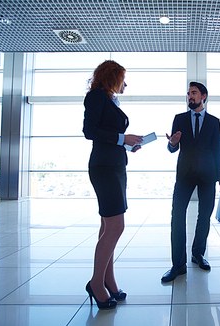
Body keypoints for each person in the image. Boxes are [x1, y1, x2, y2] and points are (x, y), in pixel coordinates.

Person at [83, 60, 143, 309]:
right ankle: (96, 284)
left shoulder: (108, 100)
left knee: (107, 225)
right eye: (122, 78)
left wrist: (127, 143)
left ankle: (109, 281)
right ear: (112, 77)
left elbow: (109, 135)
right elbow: (89, 131)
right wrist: (122, 138)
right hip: (105, 168)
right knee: (116, 226)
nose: (125, 84)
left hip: (114, 165)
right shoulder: (96, 97)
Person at [161, 82, 220, 283]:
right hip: (185, 174)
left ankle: (198, 254)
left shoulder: (214, 122)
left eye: (194, 93)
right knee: (177, 216)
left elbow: (218, 150)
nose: (190, 96)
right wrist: (172, 143)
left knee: (204, 216)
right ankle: (178, 265)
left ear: (203, 96)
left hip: (208, 174)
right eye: (188, 93)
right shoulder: (179, 119)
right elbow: (173, 147)